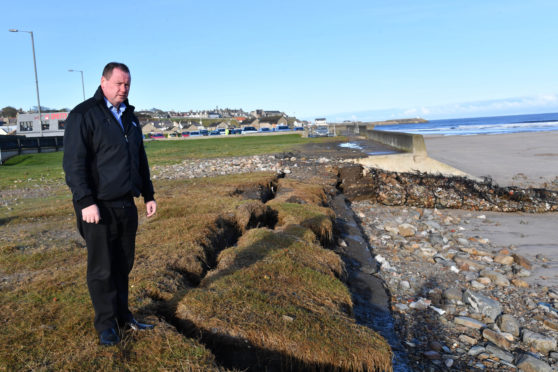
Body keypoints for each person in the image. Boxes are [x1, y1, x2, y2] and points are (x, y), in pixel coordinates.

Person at [63, 62, 157, 346]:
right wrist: (85, 202)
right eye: (118, 83)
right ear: (103, 82)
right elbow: (74, 164)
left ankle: (123, 316)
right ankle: (106, 326)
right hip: (98, 208)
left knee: (122, 265)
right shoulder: (84, 115)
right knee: (102, 269)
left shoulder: (130, 116)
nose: (123, 89)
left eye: (127, 84)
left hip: (126, 204)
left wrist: (149, 194)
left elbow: (139, 159)